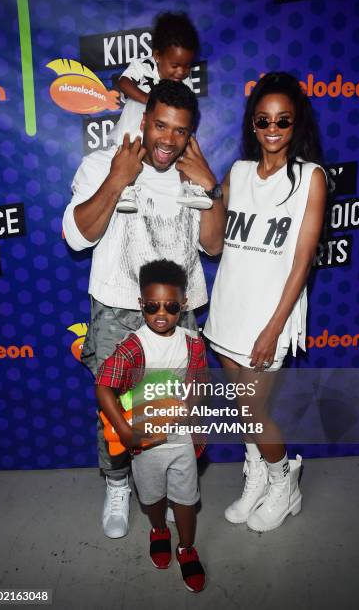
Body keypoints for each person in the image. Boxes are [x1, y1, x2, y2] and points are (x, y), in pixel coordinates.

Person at [62, 80, 225, 539]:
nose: (167, 140)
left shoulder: (196, 175)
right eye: (160, 125)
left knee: (176, 410)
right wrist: (118, 179)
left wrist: (209, 186)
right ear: (144, 118)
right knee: (115, 410)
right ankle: (117, 485)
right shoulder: (102, 164)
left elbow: (212, 246)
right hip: (118, 311)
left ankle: (176, 485)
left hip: (178, 312)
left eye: (179, 131)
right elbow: (77, 236)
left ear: (190, 133)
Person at [204, 72, 327, 531]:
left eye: (283, 120)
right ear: (252, 124)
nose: (272, 129)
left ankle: (284, 480)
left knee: (254, 412)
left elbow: (302, 262)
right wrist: (208, 192)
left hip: (267, 318)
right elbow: (215, 244)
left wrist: (275, 327)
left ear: (296, 124)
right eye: (263, 119)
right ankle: (256, 473)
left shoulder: (311, 178)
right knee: (243, 409)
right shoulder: (236, 173)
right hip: (228, 309)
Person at [95, 259, 206, 593]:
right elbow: (104, 386)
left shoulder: (193, 343)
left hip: (181, 438)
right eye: (153, 306)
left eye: (171, 306)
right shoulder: (133, 347)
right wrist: (127, 433)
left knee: (186, 499)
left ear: (183, 304)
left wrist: (193, 410)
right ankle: (158, 530)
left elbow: (199, 383)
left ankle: (187, 548)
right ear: (141, 304)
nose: (162, 313)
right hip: (144, 442)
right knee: (152, 497)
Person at [113, 11, 211, 211]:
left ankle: (188, 188)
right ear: (157, 56)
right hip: (134, 128)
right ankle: (126, 192)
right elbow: (123, 82)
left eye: (187, 66)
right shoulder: (144, 66)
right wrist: (149, 100)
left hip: (167, 131)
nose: (181, 72)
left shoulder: (185, 81)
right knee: (129, 155)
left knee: (186, 150)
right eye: (175, 65)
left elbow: (188, 108)